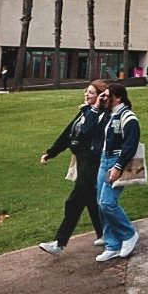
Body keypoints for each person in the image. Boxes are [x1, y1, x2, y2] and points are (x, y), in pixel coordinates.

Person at [38, 81, 108, 256]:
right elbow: (68, 133)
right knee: (91, 200)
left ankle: (59, 243)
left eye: (91, 93)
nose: (86, 95)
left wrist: (93, 109)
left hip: (92, 162)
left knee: (75, 201)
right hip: (82, 160)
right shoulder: (85, 111)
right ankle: (104, 233)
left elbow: (86, 131)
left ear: (100, 96)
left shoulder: (101, 114)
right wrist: (51, 152)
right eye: (86, 92)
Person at [94, 82, 141, 262]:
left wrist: (119, 166)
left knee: (107, 202)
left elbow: (131, 143)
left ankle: (128, 234)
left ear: (118, 97)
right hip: (105, 161)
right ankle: (112, 245)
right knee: (100, 203)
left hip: (115, 162)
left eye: (107, 95)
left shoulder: (127, 116)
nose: (104, 98)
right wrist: (98, 105)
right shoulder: (109, 114)